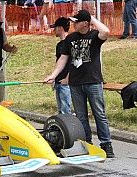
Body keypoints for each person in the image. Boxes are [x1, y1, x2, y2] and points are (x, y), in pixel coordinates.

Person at [44, 10, 115, 158]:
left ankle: (106, 144)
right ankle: (86, 143)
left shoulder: (95, 36)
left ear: (84, 24)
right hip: (76, 83)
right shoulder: (70, 38)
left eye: (76, 21)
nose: (73, 24)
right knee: (81, 116)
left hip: (93, 81)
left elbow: (106, 31)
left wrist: (92, 19)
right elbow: (63, 59)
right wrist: (53, 75)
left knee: (99, 114)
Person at [49, 17, 72, 114]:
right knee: (60, 109)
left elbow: (73, 62)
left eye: (55, 28)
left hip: (66, 82)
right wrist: (54, 77)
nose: (54, 30)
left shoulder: (70, 42)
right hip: (59, 80)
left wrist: (67, 78)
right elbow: (58, 62)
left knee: (66, 110)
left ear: (60, 28)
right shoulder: (59, 45)